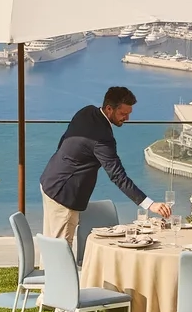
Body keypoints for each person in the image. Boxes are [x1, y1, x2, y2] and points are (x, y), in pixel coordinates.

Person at [38, 86, 172, 246]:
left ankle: (49, 269)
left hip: (50, 180)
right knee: (60, 248)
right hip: (64, 194)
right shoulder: (102, 139)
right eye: (123, 114)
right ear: (109, 108)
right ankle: (54, 271)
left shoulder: (86, 112)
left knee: (51, 244)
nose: (127, 118)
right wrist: (150, 204)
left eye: (129, 114)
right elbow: (118, 177)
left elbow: (64, 140)